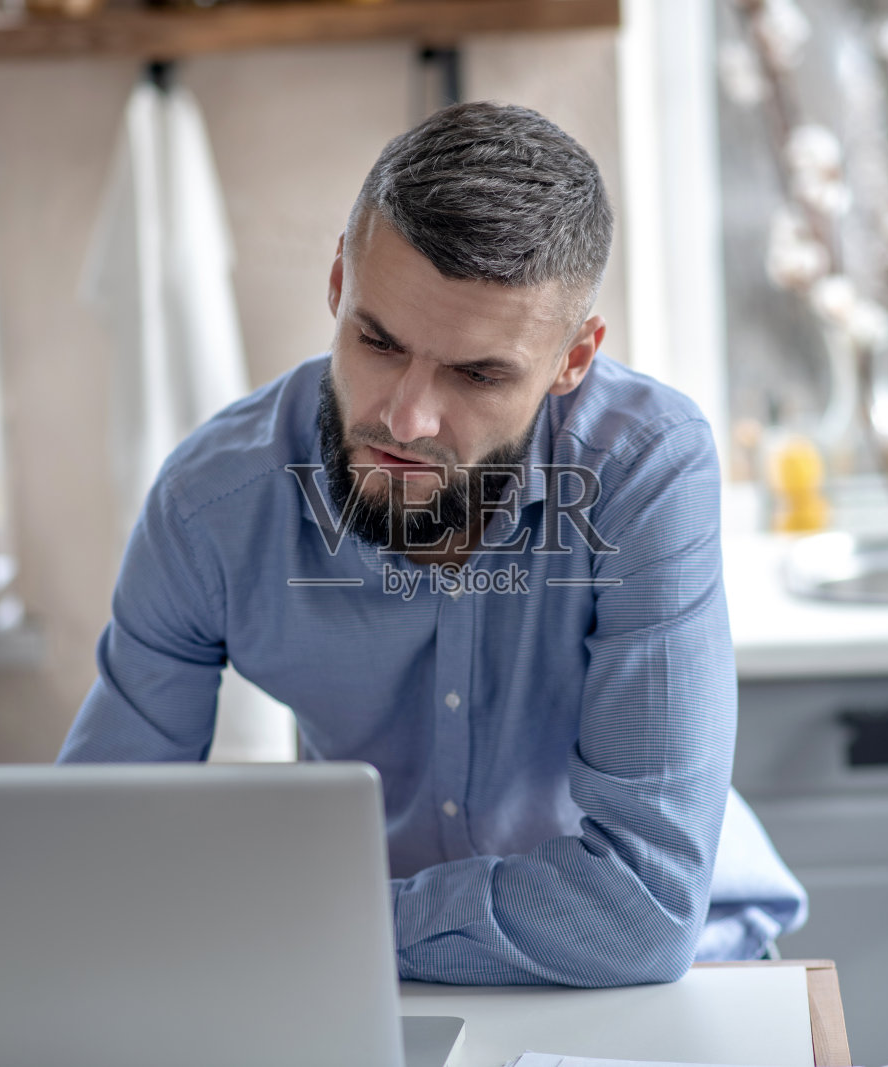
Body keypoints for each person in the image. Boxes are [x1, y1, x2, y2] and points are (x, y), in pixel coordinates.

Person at [59, 101, 806, 987]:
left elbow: (639, 911)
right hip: (368, 985)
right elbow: (99, 847)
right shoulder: (210, 505)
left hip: (680, 983)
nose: (406, 418)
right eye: (378, 341)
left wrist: (317, 922)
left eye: (478, 373)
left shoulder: (646, 469)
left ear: (574, 360)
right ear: (339, 283)